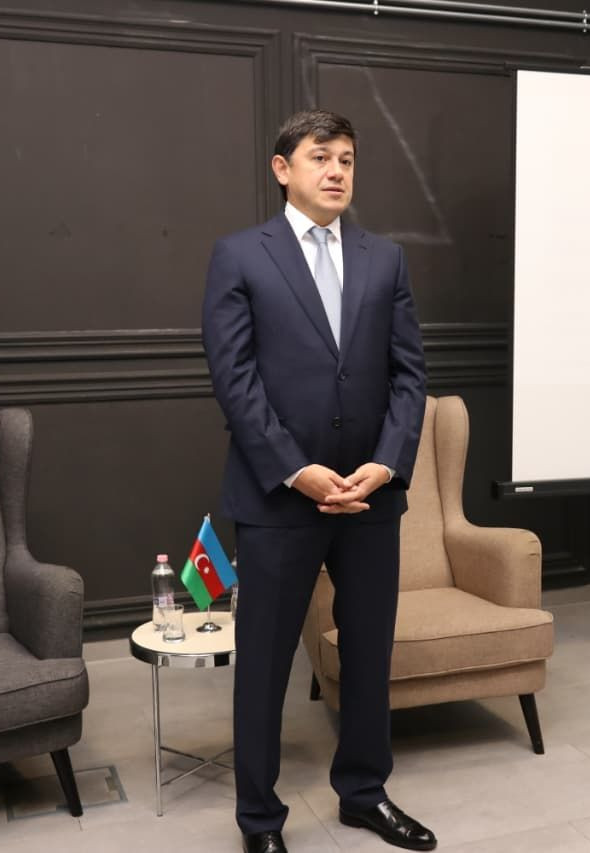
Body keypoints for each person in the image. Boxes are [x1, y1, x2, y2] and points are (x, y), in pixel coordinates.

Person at [202, 109, 434, 853]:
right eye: (320, 156)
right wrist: (297, 470)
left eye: (348, 160)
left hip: (370, 497)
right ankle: (260, 820)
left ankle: (364, 794)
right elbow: (235, 381)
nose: (337, 171)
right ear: (283, 169)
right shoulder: (240, 256)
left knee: (367, 657)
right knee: (264, 666)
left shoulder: (385, 258)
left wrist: (387, 463)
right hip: (278, 497)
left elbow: (409, 375)